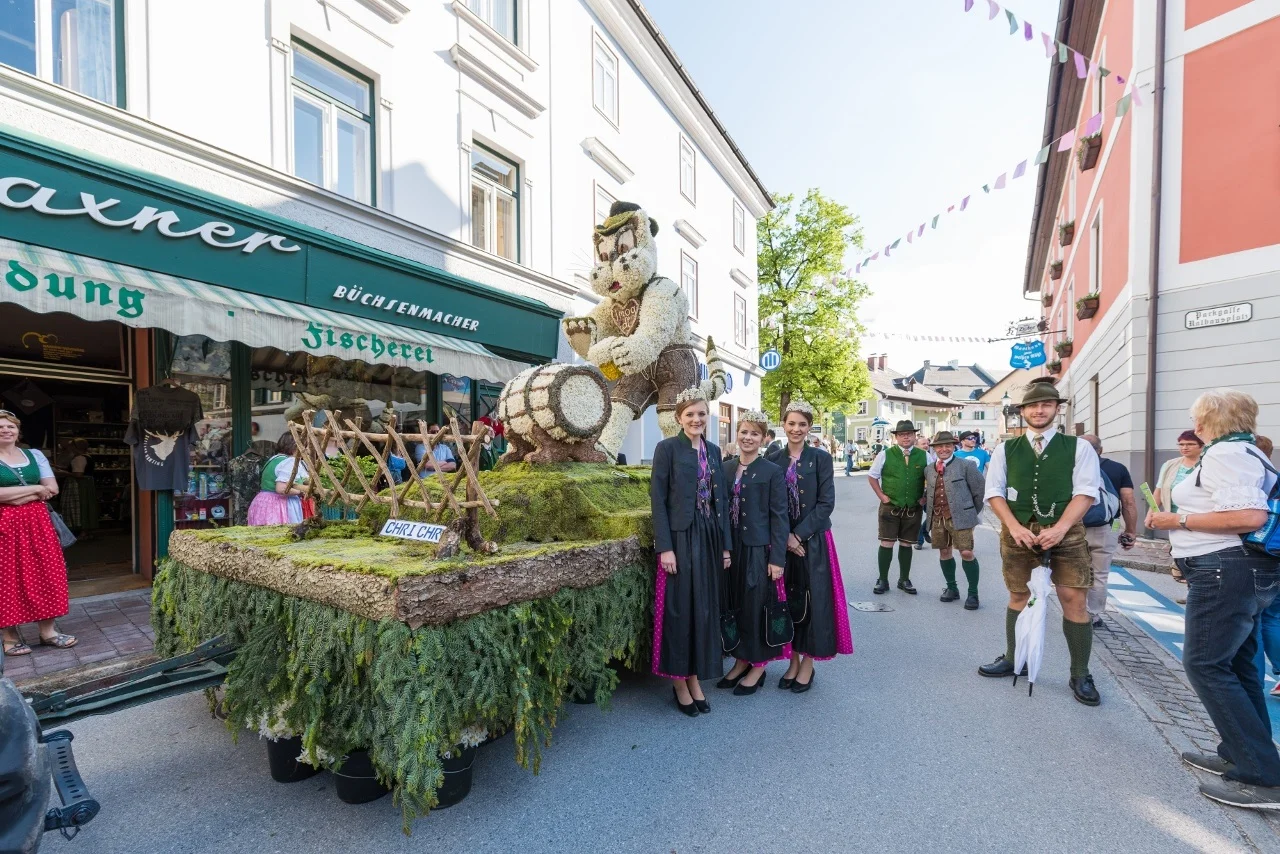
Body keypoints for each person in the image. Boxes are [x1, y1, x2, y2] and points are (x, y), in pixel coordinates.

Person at [1144, 391, 1280, 809]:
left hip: (1226, 570)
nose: (1193, 426)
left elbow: (1249, 516)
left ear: (1210, 421)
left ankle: (1260, 774)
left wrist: (1176, 520)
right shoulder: (1248, 452)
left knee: (1206, 662)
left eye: (1196, 419)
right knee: (1237, 664)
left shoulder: (1226, 455)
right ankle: (1243, 755)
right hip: (1240, 570)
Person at [979, 378, 1104, 707]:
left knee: (1073, 599)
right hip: (1017, 530)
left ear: (1057, 409)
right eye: (1033, 405)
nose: (1039, 409)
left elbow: (1086, 492)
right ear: (1022, 411)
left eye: (1046, 404)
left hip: (1066, 532)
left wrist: (1061, 528)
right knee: (1018, 594)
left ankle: (1080, 672)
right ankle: (1012, 657)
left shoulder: (1079, 448)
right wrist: (1013, 526)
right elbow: (994, 492)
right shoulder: (1006, 448)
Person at [650, 389, 732, 716]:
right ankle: (679, 682)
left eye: (701, 414)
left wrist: (725, 546)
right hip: (681, 538)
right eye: (690, 415)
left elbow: (721, 502)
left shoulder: (713, 451)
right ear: (679, 418)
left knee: (704, 609)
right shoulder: (667, 449)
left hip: (709, 536)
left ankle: (695, 677)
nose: (696, 420)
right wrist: (665, 548)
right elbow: (657, 500)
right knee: (680, 609)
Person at [766, 399, 852, 691]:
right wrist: (785, 538)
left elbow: (826, 503)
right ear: (783, 424)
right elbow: (768, 504)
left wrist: (798, 535)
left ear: (809, 427)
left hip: (813, 541)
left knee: (814, 602)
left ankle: (808, 664)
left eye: (802, 424)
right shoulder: (774, 457)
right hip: (781, 542)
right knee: (788, 601)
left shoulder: (820, 458)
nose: (796, 429)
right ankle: (792, 660)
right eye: (791, 423)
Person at [718, 410, 789, 695]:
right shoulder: (725, 468)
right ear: (737, 434)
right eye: (744, 432)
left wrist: (777, 559)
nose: (748, 437)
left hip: (758, 550)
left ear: (764, 438)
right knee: (735, 605)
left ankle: (758, 664)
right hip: (731, 548)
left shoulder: (771, 471)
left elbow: (780, 517)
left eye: (754, 433)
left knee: (755, 606)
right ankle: (740, 660)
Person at [0, 410, 76, 656]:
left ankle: (48, 632)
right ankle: (10, 637)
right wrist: (35, 489)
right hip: (4, 525)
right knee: (8, 576)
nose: (5, 431)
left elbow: (52, 488)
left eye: (10, 427)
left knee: (47, 571)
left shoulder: (33, 455)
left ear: (17, 431)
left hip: (38, 523)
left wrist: (14, 497)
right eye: (0, 427)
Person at [1080, 435, 1138, 629]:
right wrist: (1130, 531)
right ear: (1100, 450)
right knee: (1100, 572)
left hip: (1074, 526)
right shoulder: (1117, 468)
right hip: (1109, 525)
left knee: (1073, 570)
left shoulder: (1070, 466)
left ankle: (1074, 610)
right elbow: (1128, 502)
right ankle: (1093, 614)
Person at [924, 431, 986, 609]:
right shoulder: (928, 469)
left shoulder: (966, 465)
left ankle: (973, 593)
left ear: (953, 447)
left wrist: (970, 513)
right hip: (938, 517)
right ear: (934, 449)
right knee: (944, 552)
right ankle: (952, 588)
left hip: (962, 517)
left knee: (966, 552)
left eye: (947, 445)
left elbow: (979, 492)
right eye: (940, 446)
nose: (944, 449)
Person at [868, 421, 927, 594]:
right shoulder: (885, 454)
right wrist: (882, 496)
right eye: (902, 434)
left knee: (907, 544)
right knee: (886, 542)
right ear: (896, 437)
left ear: (915, 436)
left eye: (909, 433)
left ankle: (904, 579)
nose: (906, 436)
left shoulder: (924, 456)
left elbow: (933, 478)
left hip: (913, 508)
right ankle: (883, 579)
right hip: (890, 507)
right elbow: (872, 477)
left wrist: (924, 497)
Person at [246, 432, 310, 525]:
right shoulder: (289, 462)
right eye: (305, 446)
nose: (307, 450)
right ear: (296, 446)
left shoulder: (274, 459)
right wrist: (301, 491)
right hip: (278, 505)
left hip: (263, 502)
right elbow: (281, 488)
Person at [1155, 431, 1204, 513]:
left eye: (1190, 444)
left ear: (1201, 445)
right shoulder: (1169, 465)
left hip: (1199, 517)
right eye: (1181, 444)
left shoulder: (1208, 464)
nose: (1184, 448)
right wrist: (1151, 513)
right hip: (1172, 517)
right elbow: (1159, 491)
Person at [59, 438, 99, 537]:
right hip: (87, 484)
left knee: (80, 506)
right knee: (86, 505)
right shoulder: (86, 457)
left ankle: (82, 530)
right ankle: (86, 530)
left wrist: (63, 473)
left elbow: (78, 474)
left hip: (78, 485)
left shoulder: (79, 458)